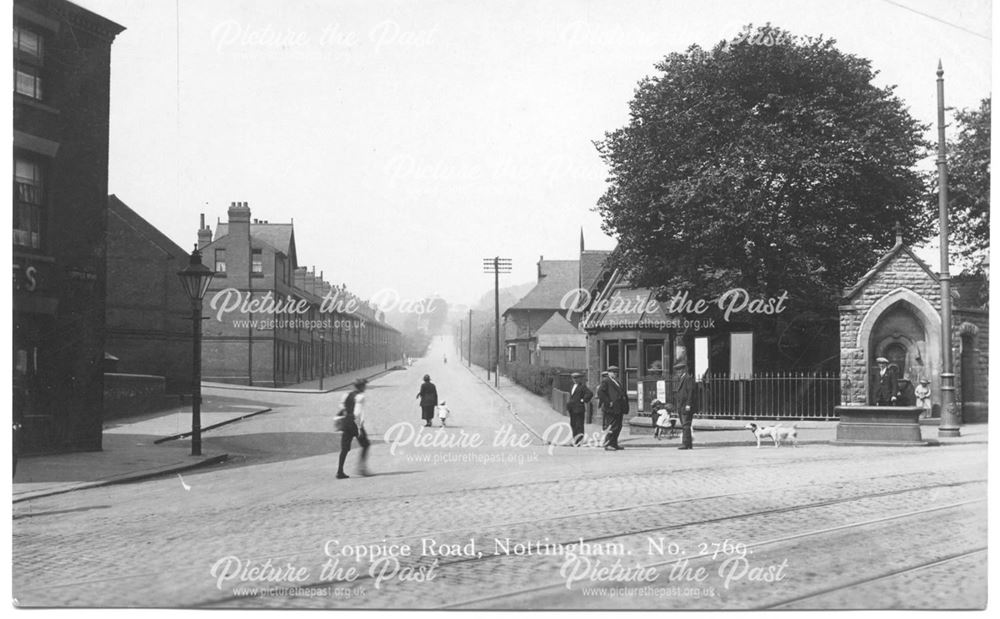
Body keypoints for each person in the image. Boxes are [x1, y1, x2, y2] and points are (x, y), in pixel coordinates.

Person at [336, 378, 370, 479]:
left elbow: (342, 408)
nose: (365, 387)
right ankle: (361, 469)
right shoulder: (360, 397)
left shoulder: (346, 395)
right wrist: (360, 427)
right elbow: (358, 413)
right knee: (366, 445)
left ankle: (340, 471)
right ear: (361, 387)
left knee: (344, 449)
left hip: (346, 423)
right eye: (364, 386)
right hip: (355, 424)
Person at [596, 366, 628, 451]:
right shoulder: (606, 381)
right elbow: (600, 392)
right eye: (613, 372)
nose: (615, 373)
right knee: (612, 427)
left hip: (618, 408)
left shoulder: (616, 381)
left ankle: (614, 443)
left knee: (618, 426)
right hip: (611, 408)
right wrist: (608, 402)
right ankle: (608, 444)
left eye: (616, 372)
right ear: (609, 373)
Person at [565, 372, 593, 446]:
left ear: (580, 379)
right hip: (572, 408)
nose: (575, 380)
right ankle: (575, 439)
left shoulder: (582, 386)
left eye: (577, 378)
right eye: (574, 378)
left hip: (579, 408)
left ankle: (579, 441)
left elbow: (590, 393)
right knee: (573, 424)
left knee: (579, 425)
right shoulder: (572, 386)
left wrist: (583, 400)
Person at [674, 361, 695, 450]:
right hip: (681, 405)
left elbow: (690, 392)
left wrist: (688, 404)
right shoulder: (681, 379)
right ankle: (689, 444)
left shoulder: (688, 378)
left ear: (684, 370)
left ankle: (685, 443)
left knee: (686, 425)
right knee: (685, 425)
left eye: (680, 370)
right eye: (677, 370)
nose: (678, 372)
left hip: (685, 405)